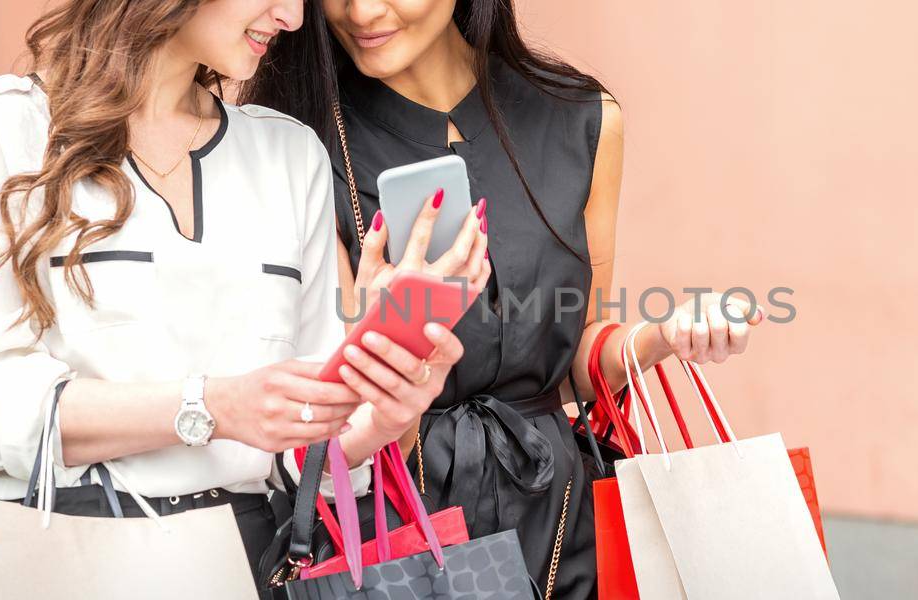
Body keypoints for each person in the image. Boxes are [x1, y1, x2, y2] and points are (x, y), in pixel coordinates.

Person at [0, 1, 479, 596]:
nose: (291, 17)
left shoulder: (288, 154)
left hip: (255, 563)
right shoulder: (4, 128)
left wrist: (382, 414)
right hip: (62, 558)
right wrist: (208, 408)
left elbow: (305, 454)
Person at [242, 1, 766, 596]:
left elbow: (574, 361)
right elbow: (335, 405)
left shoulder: (581, 117)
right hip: (397, 536)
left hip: (565, 523)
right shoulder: (299, 142)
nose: (361, 10)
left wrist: (663, 337)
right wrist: (397, 325)